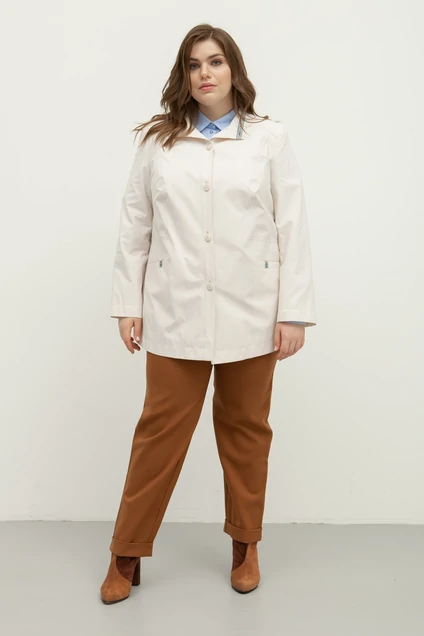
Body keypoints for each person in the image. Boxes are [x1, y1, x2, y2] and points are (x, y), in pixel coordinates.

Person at [100, 23, 317, 605]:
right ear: (184, 75)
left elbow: (291, 225)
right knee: (158, 433)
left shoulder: (268, 139)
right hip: (175, 309)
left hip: (254, 311)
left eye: (215, 61)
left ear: (233, 69)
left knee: (246, 432)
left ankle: (246, 545)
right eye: (194, 64)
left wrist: (293, 312)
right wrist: (127, 304)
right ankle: (126, 552)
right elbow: (135, 224)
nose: (205, 73)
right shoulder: (159, 142)